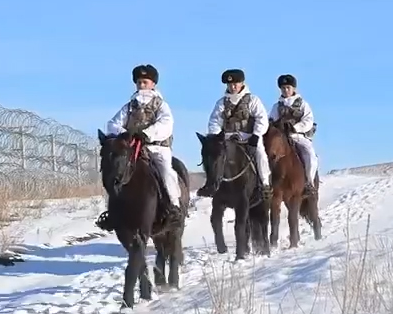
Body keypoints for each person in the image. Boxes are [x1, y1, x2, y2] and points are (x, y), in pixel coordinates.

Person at [96, 64, 184, 231]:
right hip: (132, 147)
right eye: (139, 83)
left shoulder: (161, 105)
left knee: (166, 172)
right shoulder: (129, 106)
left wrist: (147, 134)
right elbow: (112, 124)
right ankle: (113, 212)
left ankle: (174, 208)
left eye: (145, 82)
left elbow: (166, 124)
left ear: (153, 84)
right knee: (117, 171)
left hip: (156, 147)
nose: (141, 86)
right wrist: (125, 134)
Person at [202, 68, 271, 201]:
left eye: (235, 84)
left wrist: (256, 135)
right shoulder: (221, 103)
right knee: (214, 156)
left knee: (260, 153)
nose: (232, 87)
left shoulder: (252, 100)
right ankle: (212, 184)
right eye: (229, 85)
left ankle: (264, 183)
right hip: (227, 138)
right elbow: (214, 121)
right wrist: (216, 138)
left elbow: (262, 118)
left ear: (242, 83)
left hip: (248, 137)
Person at [270, 73, 319, 197]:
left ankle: (309, 182)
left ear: (293, 88)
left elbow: (308, 120)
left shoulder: (303, 104)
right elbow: (270, 121)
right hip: (281, 138)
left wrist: (295, 128)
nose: (286, 90)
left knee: (310, 154)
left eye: (288, 88)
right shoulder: (276, 106)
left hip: (298, 136)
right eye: (283, 88)